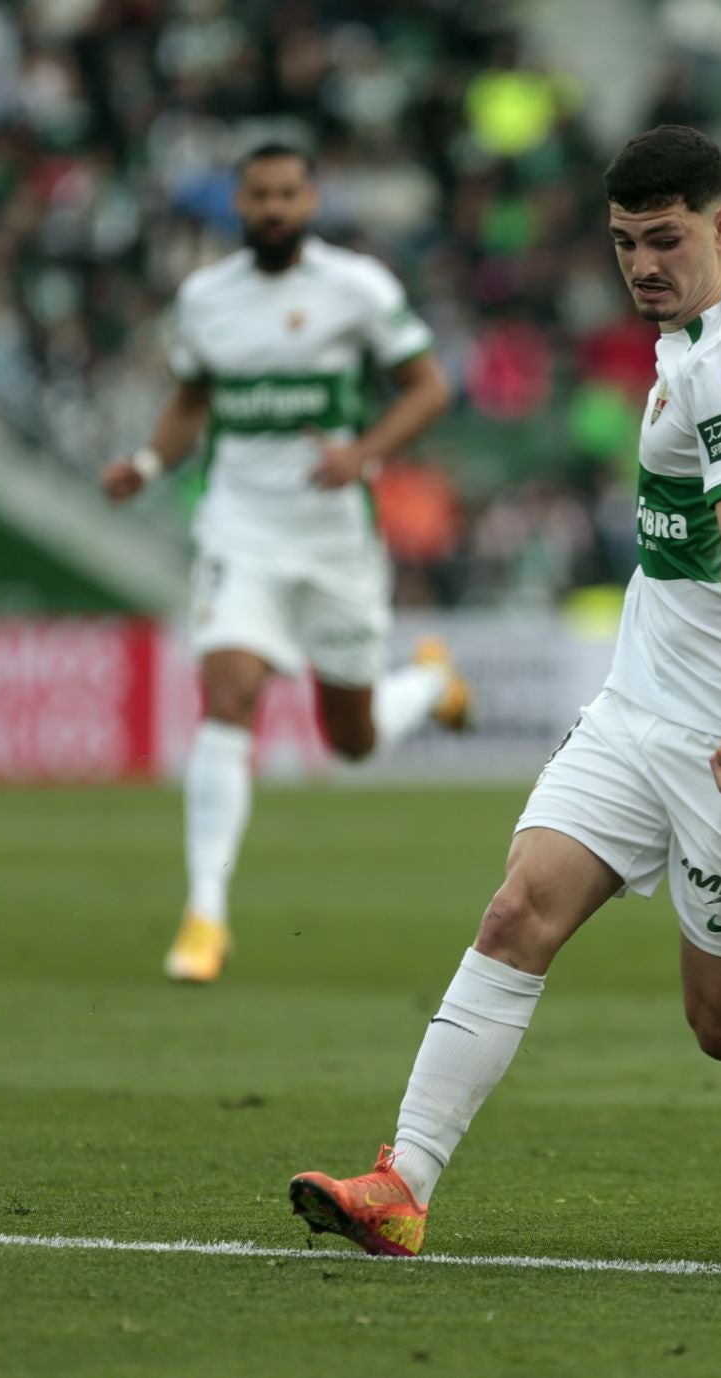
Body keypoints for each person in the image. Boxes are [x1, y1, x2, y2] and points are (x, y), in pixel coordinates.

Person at [287, 126, 721, 1259]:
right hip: (636, 710)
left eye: (664, 239)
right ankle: (402, 1182)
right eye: (624, 243)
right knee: (519, 909)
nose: (641, 265)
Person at [101, 143, 467, 985]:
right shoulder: (204, 299)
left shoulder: (357, 288)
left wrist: (364, 453)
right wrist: (149, 465)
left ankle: (430, 685)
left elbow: (429, 387)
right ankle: (205, 916)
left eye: (287, 194)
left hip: (336, 534)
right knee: (227, 696)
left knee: (353, 741)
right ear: (238, 202)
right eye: (259, 194)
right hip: (240, 529)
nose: (273, 208)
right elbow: (192, 399)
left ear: (310, 200)